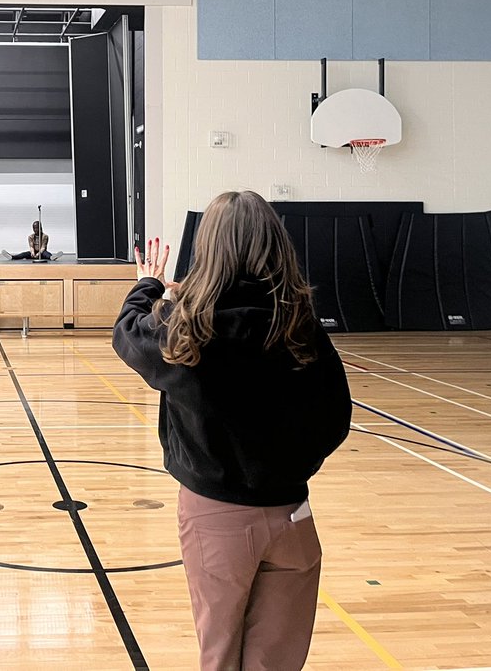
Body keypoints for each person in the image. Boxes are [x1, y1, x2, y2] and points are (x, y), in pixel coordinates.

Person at [112, 191, 351, 671]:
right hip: (291, 512)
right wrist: (290, 469)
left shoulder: (187, 328)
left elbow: (128, 332)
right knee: (276, 662)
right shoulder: (301, 326)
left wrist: (149, 286)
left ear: (209, 249)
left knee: (219, 656)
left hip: (214, 515)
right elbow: (335, 420)